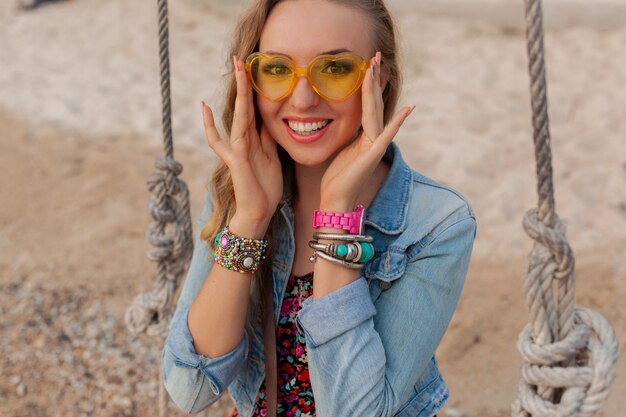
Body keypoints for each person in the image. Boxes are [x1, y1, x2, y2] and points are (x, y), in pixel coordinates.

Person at [162, 0, 476, 416]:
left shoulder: (436, 224)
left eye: (335, 69)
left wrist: (338, 216)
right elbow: (191, 386)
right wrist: (251, 220)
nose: (304, 99)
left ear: (379, 77)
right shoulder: (237, 194)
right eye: (276, 70)